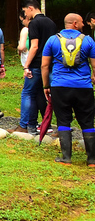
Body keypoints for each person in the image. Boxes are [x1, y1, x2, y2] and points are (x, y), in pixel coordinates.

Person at [42, 13, 95, 166]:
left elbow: (45, 65)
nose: (83, 25)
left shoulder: (53, 40)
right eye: (80, 22)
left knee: (63, 119)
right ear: (74, 24)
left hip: (60, 86)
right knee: (87, 121)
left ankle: (66, 158)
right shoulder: (88, 40)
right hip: (83, 87)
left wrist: (46, 85)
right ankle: (92, 159)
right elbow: (94, 65)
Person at [14, 0, 57, 135]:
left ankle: (23, 125)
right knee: (42, 93)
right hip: (49, 64)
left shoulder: (34, 24)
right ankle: (35, 125)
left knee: (27, 93)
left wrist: (26, 66)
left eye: (25, 11)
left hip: (36, 64)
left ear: (30, 8)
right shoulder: (51, 23)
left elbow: (34, 46)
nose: (25, 15)